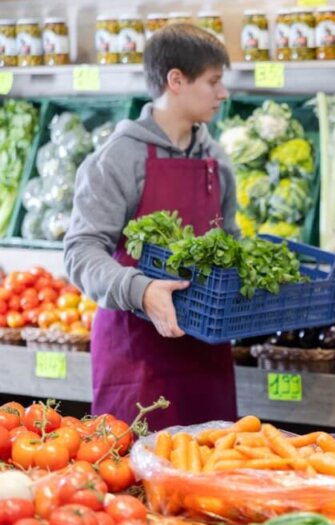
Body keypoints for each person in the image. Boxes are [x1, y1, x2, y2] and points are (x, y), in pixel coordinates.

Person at [63, 24, 238, 430]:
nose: (223, 93)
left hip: (206, 356)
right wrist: (140, 290)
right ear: (176, 80)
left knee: (207, 478)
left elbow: (231, 242)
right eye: (213, 81)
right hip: (136, 356)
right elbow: (80, 251)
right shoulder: (118, 158)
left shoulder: (217, 158)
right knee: (135, 484)